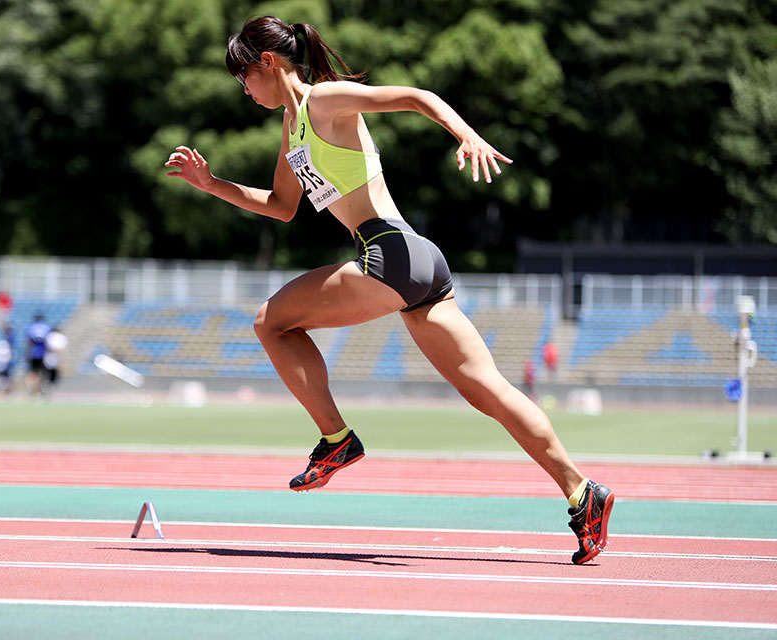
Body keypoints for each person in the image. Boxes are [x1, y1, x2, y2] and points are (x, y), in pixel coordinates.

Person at [164, 16, 613, 565]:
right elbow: (282, 208)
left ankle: (336, 440)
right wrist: (211, 185)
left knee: (270, 322)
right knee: (487, 391)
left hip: (389, 254)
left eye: (243, 77)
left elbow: (416, 96)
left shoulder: (324, 101)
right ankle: (581, 492)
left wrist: (466, 134)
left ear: (268, 62)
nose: (243, 89)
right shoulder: (291, 128)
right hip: (419, 262)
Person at [25, 313, 51, 395]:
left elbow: (29, 342)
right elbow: (48, 341)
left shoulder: (31, 327)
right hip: (43, 353)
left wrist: (27, 353)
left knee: (33, 373)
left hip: (33, 353)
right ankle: (41, 390)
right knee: (43, 373)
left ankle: (31, 389)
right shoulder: (46, 327)